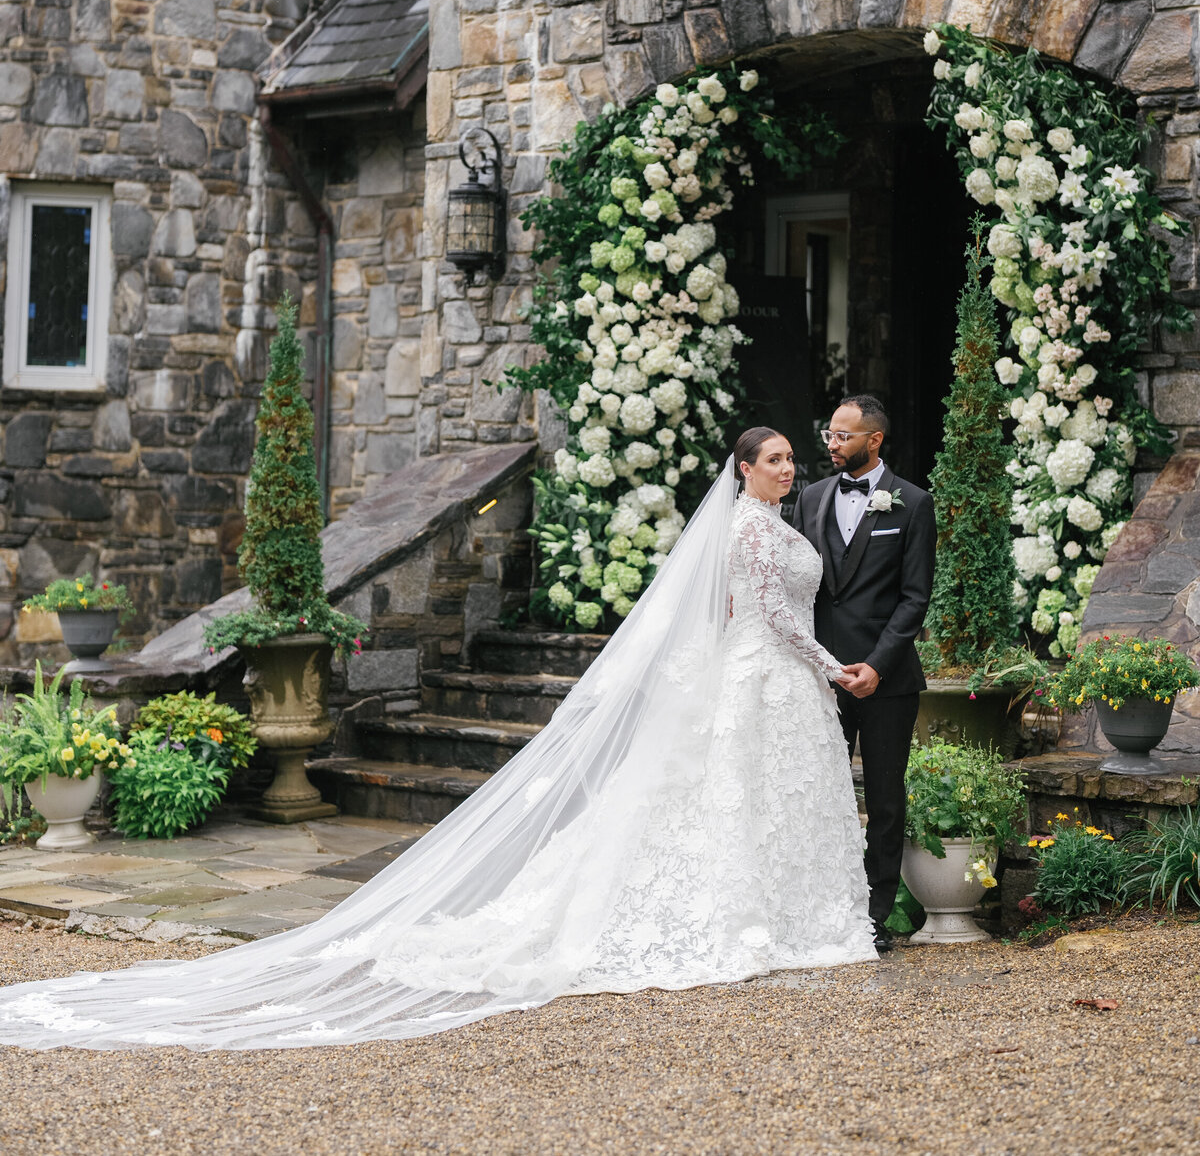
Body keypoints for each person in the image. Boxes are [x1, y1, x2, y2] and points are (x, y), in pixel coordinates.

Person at [0, 428, 875, 1052]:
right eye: (775, 460)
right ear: (743, 472)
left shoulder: (770, 524)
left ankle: (783, 913)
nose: (788, 469)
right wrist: (836, 666)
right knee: (732, 797)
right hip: (776, 674)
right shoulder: (753, 530)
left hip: (771, 683)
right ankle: (750, 918)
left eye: (792, 459)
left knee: (751, 797)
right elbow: (761, 614)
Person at [794, 394, 935, 954]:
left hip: (887, 681)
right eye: (829, 434)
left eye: (843, 436)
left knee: (884, 798)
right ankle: (820, 908)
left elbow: (914, 598)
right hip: (818, 678)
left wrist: (876, 666)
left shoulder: (913, 504)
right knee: (816, 794)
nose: (832, 444)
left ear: (874, 440)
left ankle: (875, 916)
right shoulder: (808, 498)